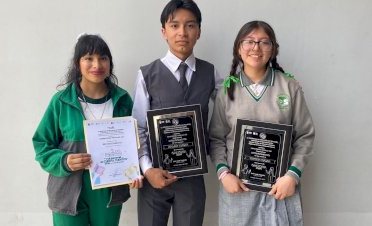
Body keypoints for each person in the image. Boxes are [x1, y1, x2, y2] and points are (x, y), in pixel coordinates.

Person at [209, 21, 315, 226]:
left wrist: (292, 176)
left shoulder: (289, 87)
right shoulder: (226, 90)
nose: (256, 48)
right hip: (239, 189)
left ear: (273, 49)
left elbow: (305, 136)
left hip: (280, 188)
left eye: (264, 42)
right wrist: (224, 174)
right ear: (238, 48)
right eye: (249, 41)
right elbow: (216, 138)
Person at [32, 34, 143, 226]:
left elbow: (135, 143)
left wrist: (135, 171)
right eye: (88, 58)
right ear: (77, 64)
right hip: (67, 190)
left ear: (110, 63)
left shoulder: (123, 100)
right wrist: (64, 160)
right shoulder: (61, 101)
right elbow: (42, 145)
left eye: (103, 58)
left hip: (110, 190)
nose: (97, 65)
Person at [132, 1, 222, 225]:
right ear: (164, 31)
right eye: (175, 25)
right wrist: (147, 169)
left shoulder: (210, 72)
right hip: (154, 175)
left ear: (199, 31)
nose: (182, 32)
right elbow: (139, 127)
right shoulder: (147, 74)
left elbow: (234, 106)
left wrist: (278, 84)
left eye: (190, 25)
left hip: (192, 178)